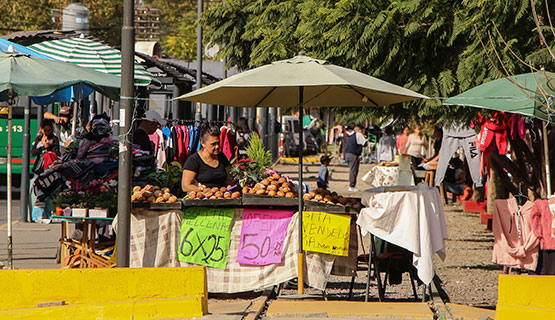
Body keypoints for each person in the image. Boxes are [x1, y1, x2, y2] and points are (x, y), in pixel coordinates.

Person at [181, 123, 233, 192]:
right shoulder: (193, 160)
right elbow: (185, 186)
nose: (217, 146)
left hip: (222, 198)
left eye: (218, 143)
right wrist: (203, 190)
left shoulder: (222, 157)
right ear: (202, 143)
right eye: (213, 144)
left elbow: (228, 180)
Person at [30, 119, 60, 223]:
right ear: (42, 130)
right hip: (39, 168)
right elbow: (33, 152)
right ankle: (37, 216)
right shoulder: (39, 139)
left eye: (49, 130)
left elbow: (57, 152)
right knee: (37, 193)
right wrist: (42, 146)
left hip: (50, 169)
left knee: (50, 193)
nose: (48, 133)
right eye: (46, 130)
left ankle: (49, 214)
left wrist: (49, 147)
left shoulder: (54, 139)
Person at [344, 124, 367, 192]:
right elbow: (364, 143)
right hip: (353, 154)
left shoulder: (352, 135)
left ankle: (352, 185)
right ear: (359, 130)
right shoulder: (359, 134)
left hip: (347, 154)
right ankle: (352, 186)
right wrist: (365, 138)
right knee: (353, 170)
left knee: (352, 170)